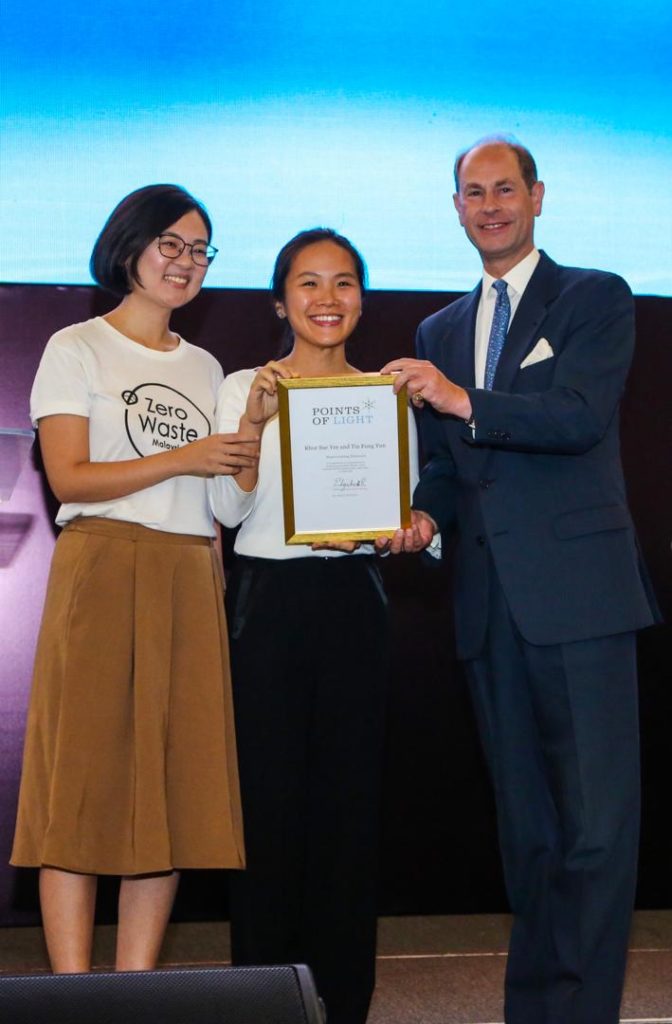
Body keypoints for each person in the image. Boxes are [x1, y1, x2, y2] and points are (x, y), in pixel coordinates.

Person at [379, 136, 660, 1023]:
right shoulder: (438, 331)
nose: (491, 205)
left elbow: (576, 417)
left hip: (580, 603)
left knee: (595, 833)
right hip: (487, 610)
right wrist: (424, 520)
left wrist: (460, 399)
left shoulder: (596, 296)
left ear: (538, 197)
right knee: (528, 836)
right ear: (455, 207)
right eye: (474, 192)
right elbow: (448, 474)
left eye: (507, 189)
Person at [10, 184, 256, 973]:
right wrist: (185, 456)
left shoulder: (209, 365)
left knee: (170, 793)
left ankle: (136, 990)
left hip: (188, 573)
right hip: (104, 566)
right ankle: (74, 993)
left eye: (199, 249)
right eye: (170, 244)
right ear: (129, 247)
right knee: (79, 788)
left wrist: (246, 440)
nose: (184, 262)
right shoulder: (75, 347)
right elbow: (70, 477)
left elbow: (224, 499)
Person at [209, 228, 416, 1024]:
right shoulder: (242, 386)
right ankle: (263, 1002)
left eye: (344, 283)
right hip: (266, 606)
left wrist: (408, 527)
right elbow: (225, 509)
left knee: (348, 814)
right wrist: (258, 422)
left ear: (362, 298)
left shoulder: (382, 394)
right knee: (264, 814)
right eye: (308, 283)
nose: (327, 300)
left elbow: (391, 518)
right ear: (279, 300)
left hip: (353, 603)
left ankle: (344, 1002)